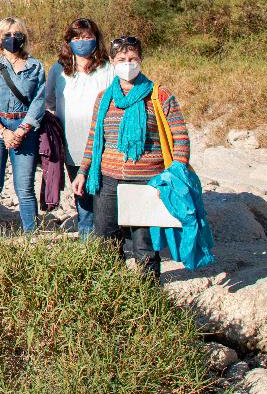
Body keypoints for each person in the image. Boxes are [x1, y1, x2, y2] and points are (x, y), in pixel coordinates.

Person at [74, 36, 191, 280]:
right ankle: (113, 292)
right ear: (111, 62)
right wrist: (83, 171)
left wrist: (175, 174)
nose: (128, 64)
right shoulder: (104, 98)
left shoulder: (159, 96)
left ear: (141, 60)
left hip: (146, 182)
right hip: (107, 181)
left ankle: (148, 293)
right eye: (121, 59)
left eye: (133, 59)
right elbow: (95, 138)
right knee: (106, 241)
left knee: (144, 246)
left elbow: (180, 137)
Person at [0, 17, 46, 235]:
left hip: (24, 127)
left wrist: (22, 129)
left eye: (17, 34)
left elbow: (39, 100)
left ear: (24, 36)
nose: (12, 38)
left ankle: (31, 235)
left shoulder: (35, 66)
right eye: (7, 35)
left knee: (25, 188)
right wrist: (3, 131)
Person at [44, 17, 113, 237]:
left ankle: (109, 246)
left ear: (96, 39)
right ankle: (87, 245)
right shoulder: (59, 69)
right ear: (69, 41)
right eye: (77, 37)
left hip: (104, 146)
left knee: (105, 198)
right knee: (83, 200)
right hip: (72, 146)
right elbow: (50, 101)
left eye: (87, 37)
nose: (82, 41)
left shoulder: (108, 69)